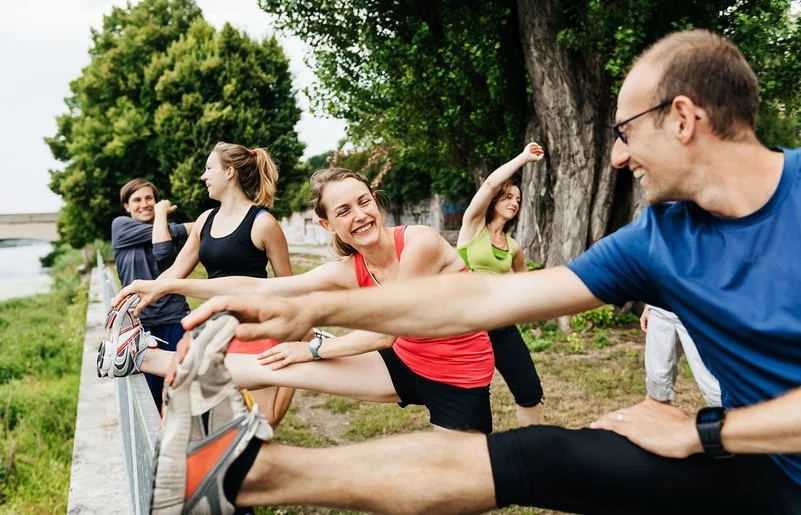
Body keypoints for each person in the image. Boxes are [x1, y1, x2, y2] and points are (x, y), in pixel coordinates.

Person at [143, 29, 801, 514]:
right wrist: (317, 311)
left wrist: (700, 429)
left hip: (735, 446)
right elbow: (482, 297)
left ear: (683, 118)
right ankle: (237, 476)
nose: (617, 157)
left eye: (625, 132)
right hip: (754, 464)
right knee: (534, 454)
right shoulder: (660, 238)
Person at [110, 167, 496, 434]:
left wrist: (312, 350)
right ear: (327, 224)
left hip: (457, 379)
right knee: (271, 365)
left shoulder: (420, 243)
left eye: (364, 202)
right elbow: (262, 288)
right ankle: (144, 357)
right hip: (406, 364)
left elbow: (387, 333)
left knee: (452, 494)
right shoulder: (351, 268)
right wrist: (167, 285)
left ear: (376, 201)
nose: (360, 216)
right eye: (344, 211)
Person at [101, 142, 296, 428]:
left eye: (208, 168)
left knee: (263, 422)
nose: (203, 177)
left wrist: (293, 338)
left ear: (229, 172)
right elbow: (175, 272)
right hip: (216, 327)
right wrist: (140, 293)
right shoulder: (206, 220)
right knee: (212, 418)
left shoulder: (263, 223)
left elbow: (289, 287)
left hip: (256, 329)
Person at [457, 141, 545, 426]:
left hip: (502, 326)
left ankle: (533, 450)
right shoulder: (472, 227)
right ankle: (478, 457)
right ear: (494, 201)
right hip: (468, 327)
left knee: (530, 390)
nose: (513, 203)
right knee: (473, 400)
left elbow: (525, 286)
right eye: (508, 197)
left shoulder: (514, 247)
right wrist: (523, 157)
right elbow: (491, 183)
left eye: (517, 200)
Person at [110, 178, 192, 408]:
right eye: (136, 200)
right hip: (140, 324)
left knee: (178, 389)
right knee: (149, 395)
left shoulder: (166, 233)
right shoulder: (120, 226)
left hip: (174, 319)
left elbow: (162, 249)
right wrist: (170, 220)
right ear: (127, 206)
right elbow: (170, 234)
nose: (144, 204)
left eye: (150, 199)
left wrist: (162, 217)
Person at [641, 305, 721, 407]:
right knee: (657, 380)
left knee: (711, 384)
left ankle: (735, 419)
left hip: (694, 309)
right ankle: (658, 419)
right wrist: (647, 306)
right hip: (659, 306)